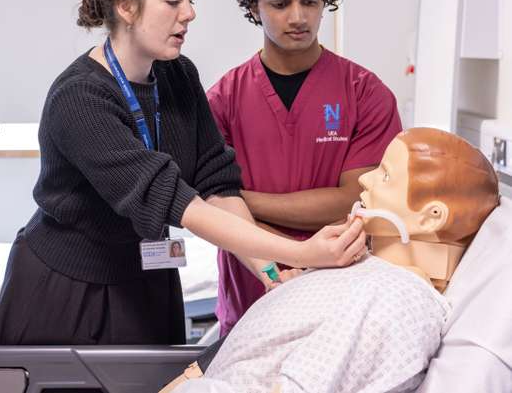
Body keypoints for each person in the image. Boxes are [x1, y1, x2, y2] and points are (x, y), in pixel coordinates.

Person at [0, 0, 367, 348]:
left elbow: (216, 184)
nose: (189, 13)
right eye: (173, 0)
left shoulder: (177, 74)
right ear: (126, 6)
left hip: (149, 279)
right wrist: (302, 252)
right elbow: (178, 203)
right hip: (69, 293)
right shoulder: (79, 98)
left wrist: (270, 270)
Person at [166, 128, 500, 393]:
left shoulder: (397, 299)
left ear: (430, 218)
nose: (365, 180)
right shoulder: (369, 270)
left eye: (384, 175)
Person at [208, 0, 402, 336]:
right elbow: (213, 213)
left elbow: (353, 200)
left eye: (310, 1)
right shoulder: (222, 100)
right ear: (253, 7)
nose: (298, 16)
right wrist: (229, 212)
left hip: (341, 295)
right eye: (280, 3)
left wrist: (239, 203)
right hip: (251, 292)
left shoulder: (365, 92)